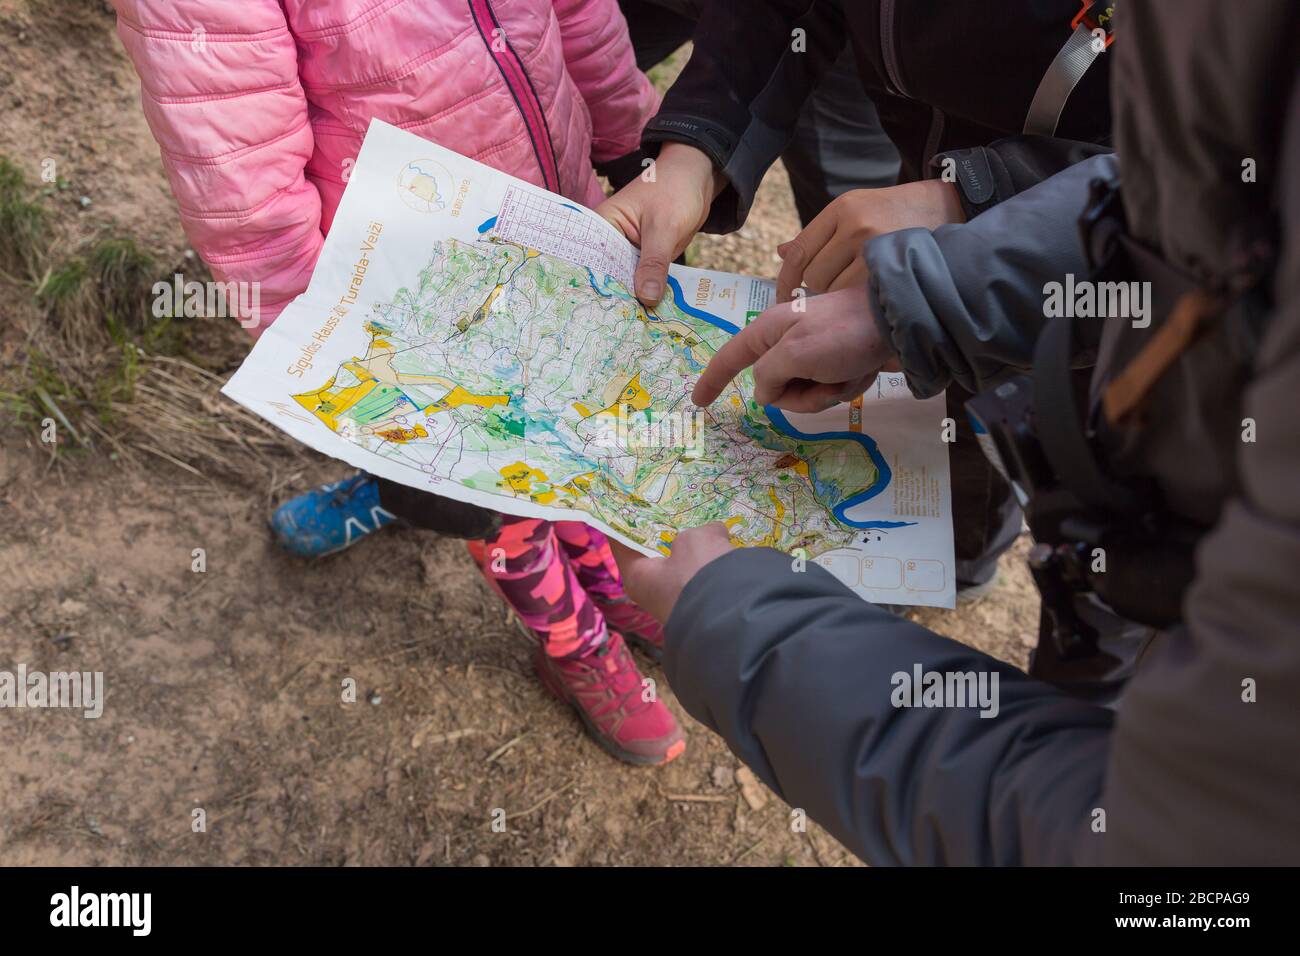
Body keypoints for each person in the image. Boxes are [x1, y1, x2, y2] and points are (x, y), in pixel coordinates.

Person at [612, 0, 1300, 863]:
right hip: (1113, 425)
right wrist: (931, 287)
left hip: (1148, 451)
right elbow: (1206, 200)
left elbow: (1156, 853)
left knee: (1104, 645)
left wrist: (742, 625)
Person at [109, 0, 684, 765]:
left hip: (559, 219)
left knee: (565, 424)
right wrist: (335, 364)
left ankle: (599, 572)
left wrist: (628, 142)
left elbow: (578, 14)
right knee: (487, 488)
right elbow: (238, 179)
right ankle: (568, 638)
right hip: (413, 298)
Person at [599, 0, 1117, 598]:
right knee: (937, 376)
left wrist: (971, 201)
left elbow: (1222, 187)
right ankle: (940, 554)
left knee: (1101, 540)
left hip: (1139, 306)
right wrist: (701, 144)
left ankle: (966, 559)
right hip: (941, 170)